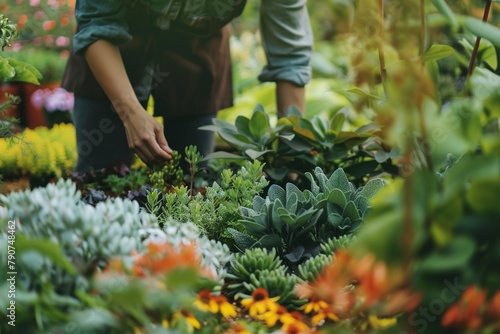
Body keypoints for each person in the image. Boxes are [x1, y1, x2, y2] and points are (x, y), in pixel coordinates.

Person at [61, 0, 313, 172]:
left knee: (190, 182)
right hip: (112, 48)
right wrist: (129, 110)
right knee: (101, 178)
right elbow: (97, 22)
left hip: (199, 52)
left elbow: (290, 59)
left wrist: (291, 159)